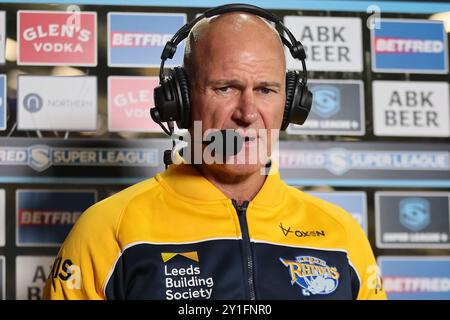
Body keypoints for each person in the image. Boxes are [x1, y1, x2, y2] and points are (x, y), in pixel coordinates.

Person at [43, 8, 386, 300]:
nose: (248, 113)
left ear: (290, 105)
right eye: (225, 88)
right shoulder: (106, 229)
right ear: (181, 101)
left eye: (266, 90)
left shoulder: (342, 235)